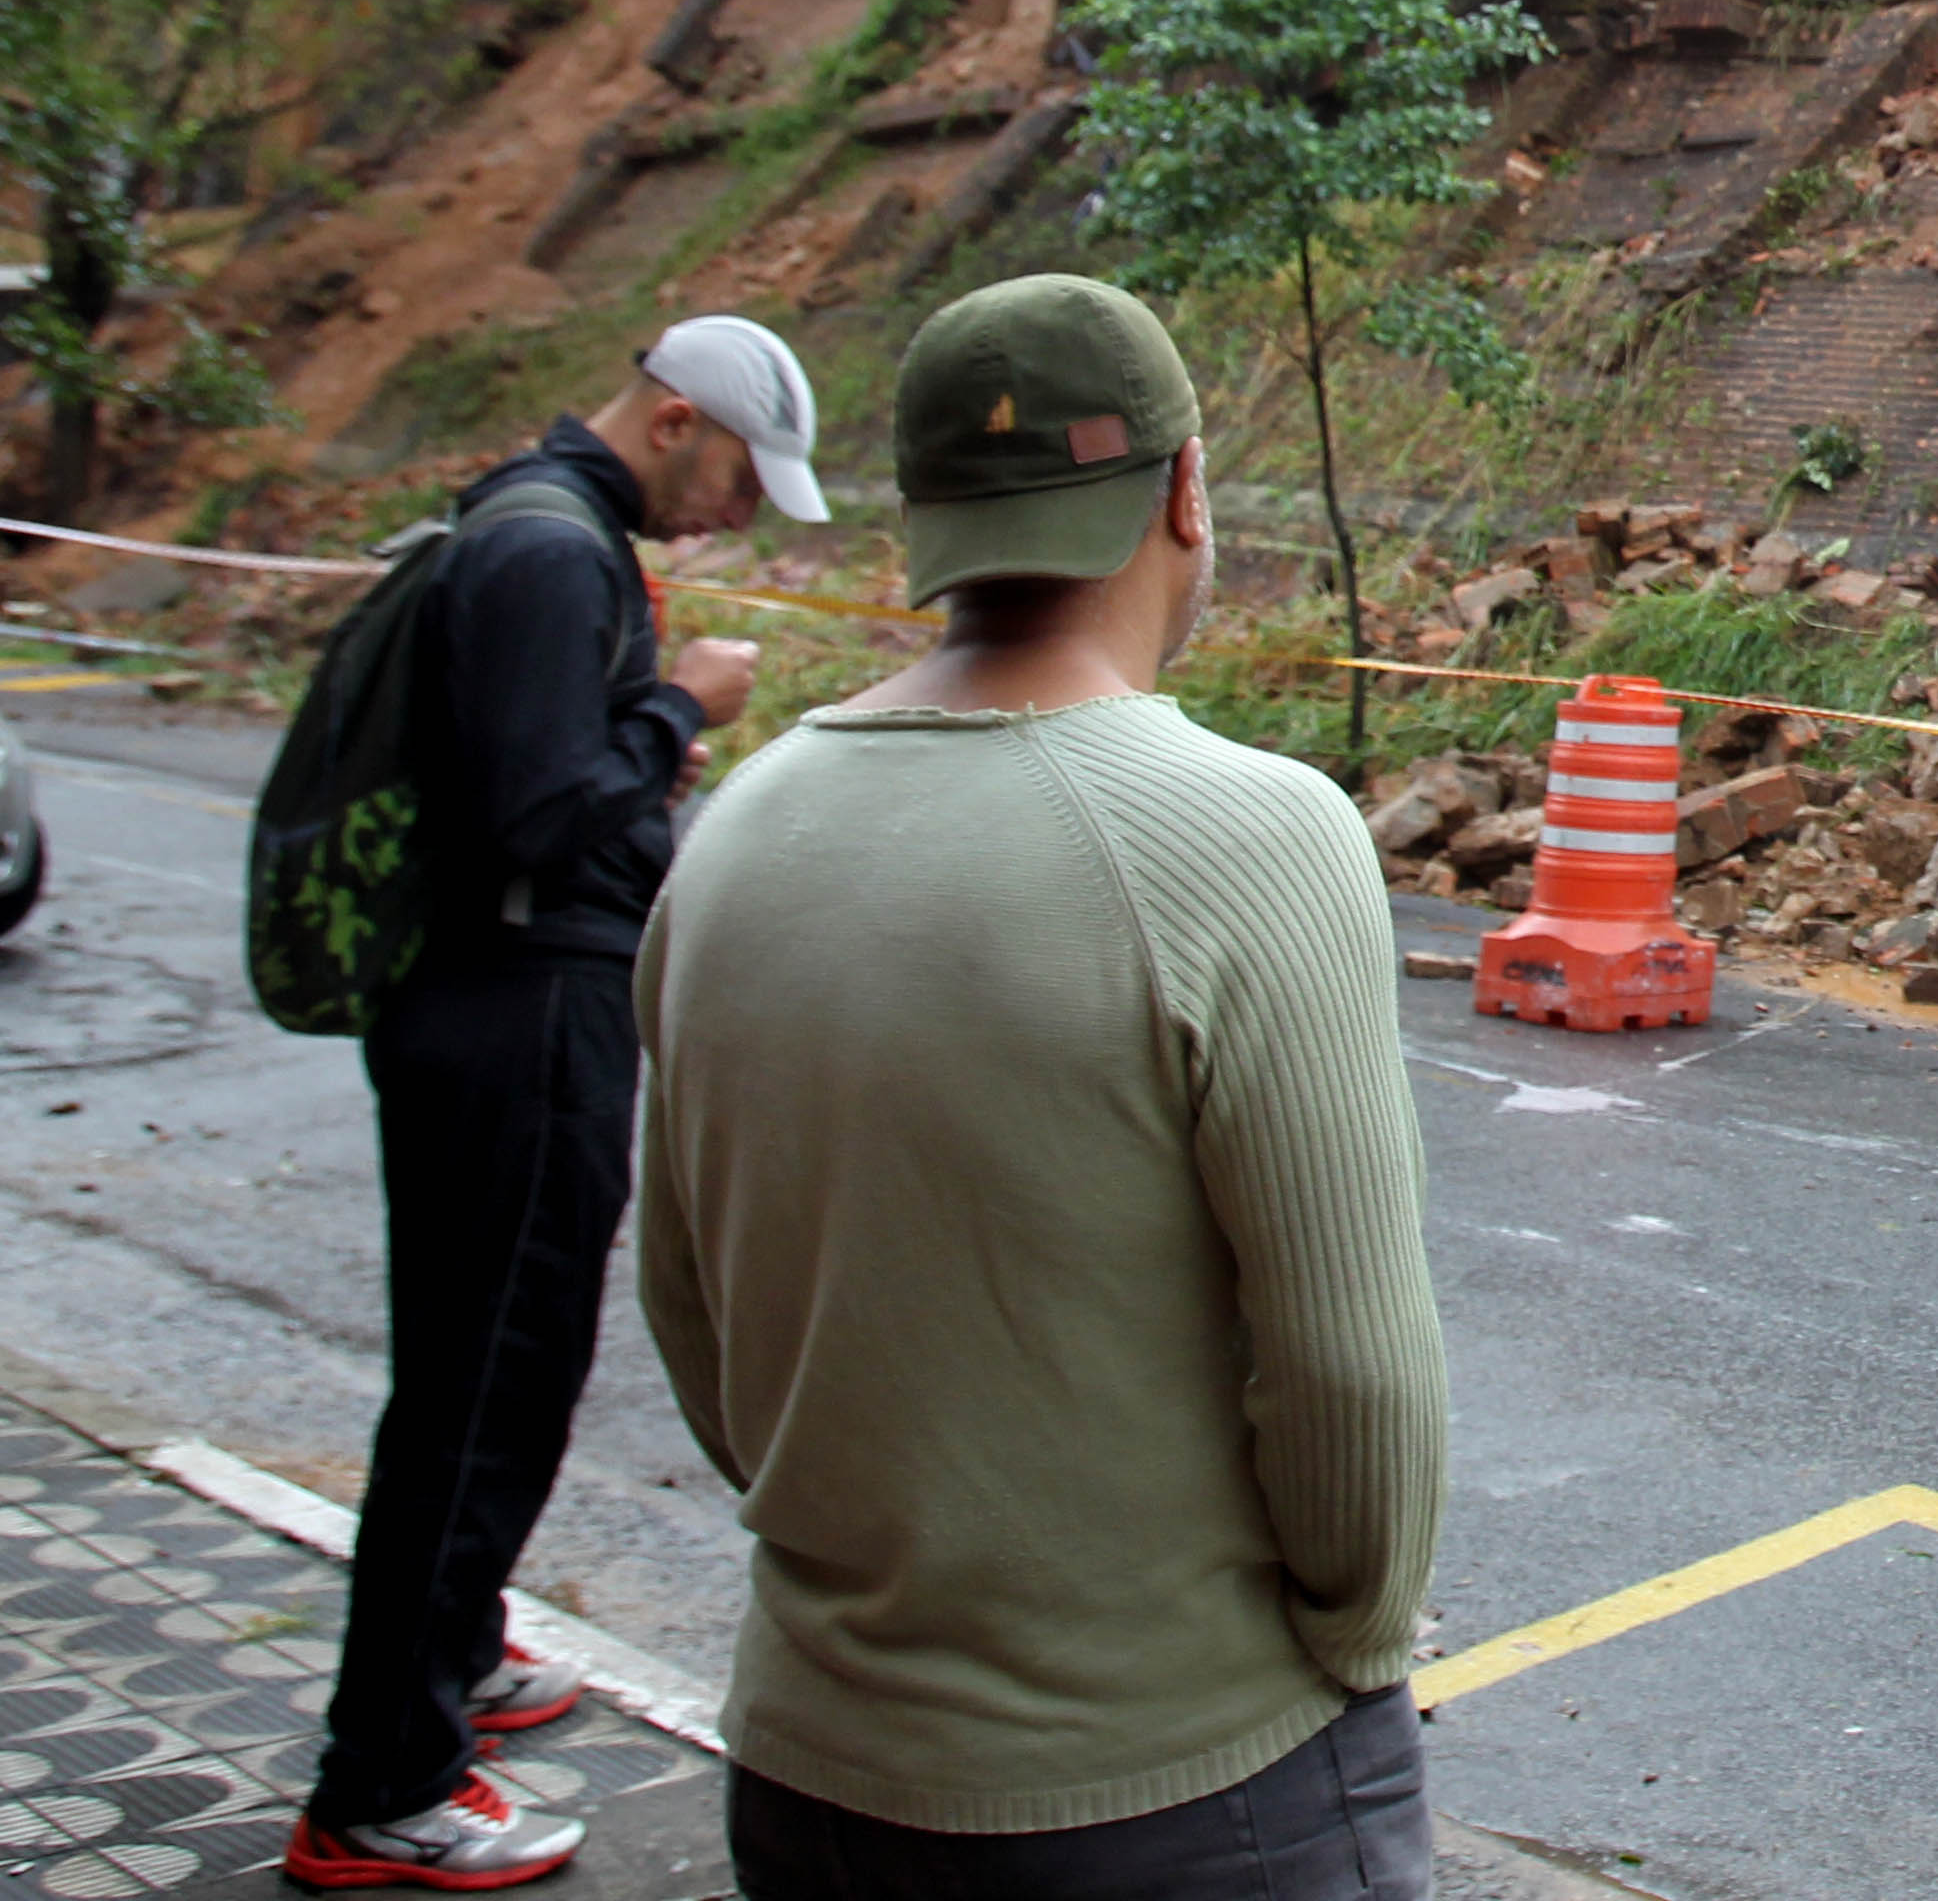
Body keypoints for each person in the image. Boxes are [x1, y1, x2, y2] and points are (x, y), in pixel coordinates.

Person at [635, 274, 1448, 1898]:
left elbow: (692, 1319)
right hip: (1180, 1785)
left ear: (925, 523)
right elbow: (1352, 1372)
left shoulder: (732, 837)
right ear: (1187, 490)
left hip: (812, 1770)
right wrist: (1351, 1641)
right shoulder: (1252, 835)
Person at [289, 318, 822, 1892]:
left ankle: (451, 1651)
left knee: (494, 1375)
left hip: (511, 1005)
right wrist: (684, 709)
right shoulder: (546, 554)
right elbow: (540, 810)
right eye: (735, 474)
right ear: (672, 421)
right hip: (513, 1015)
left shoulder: (540, 522)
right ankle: (383, 1780)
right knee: (483, 1394)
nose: (736, 510)